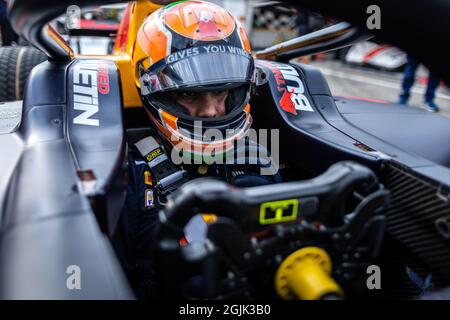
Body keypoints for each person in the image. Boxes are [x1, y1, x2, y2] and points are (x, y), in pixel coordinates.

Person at [112, 0, 281, 299]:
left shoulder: (261, 158)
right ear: (151, 87)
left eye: (220, 90)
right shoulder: (127, 172)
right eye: (189, 93)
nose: (211, 112)